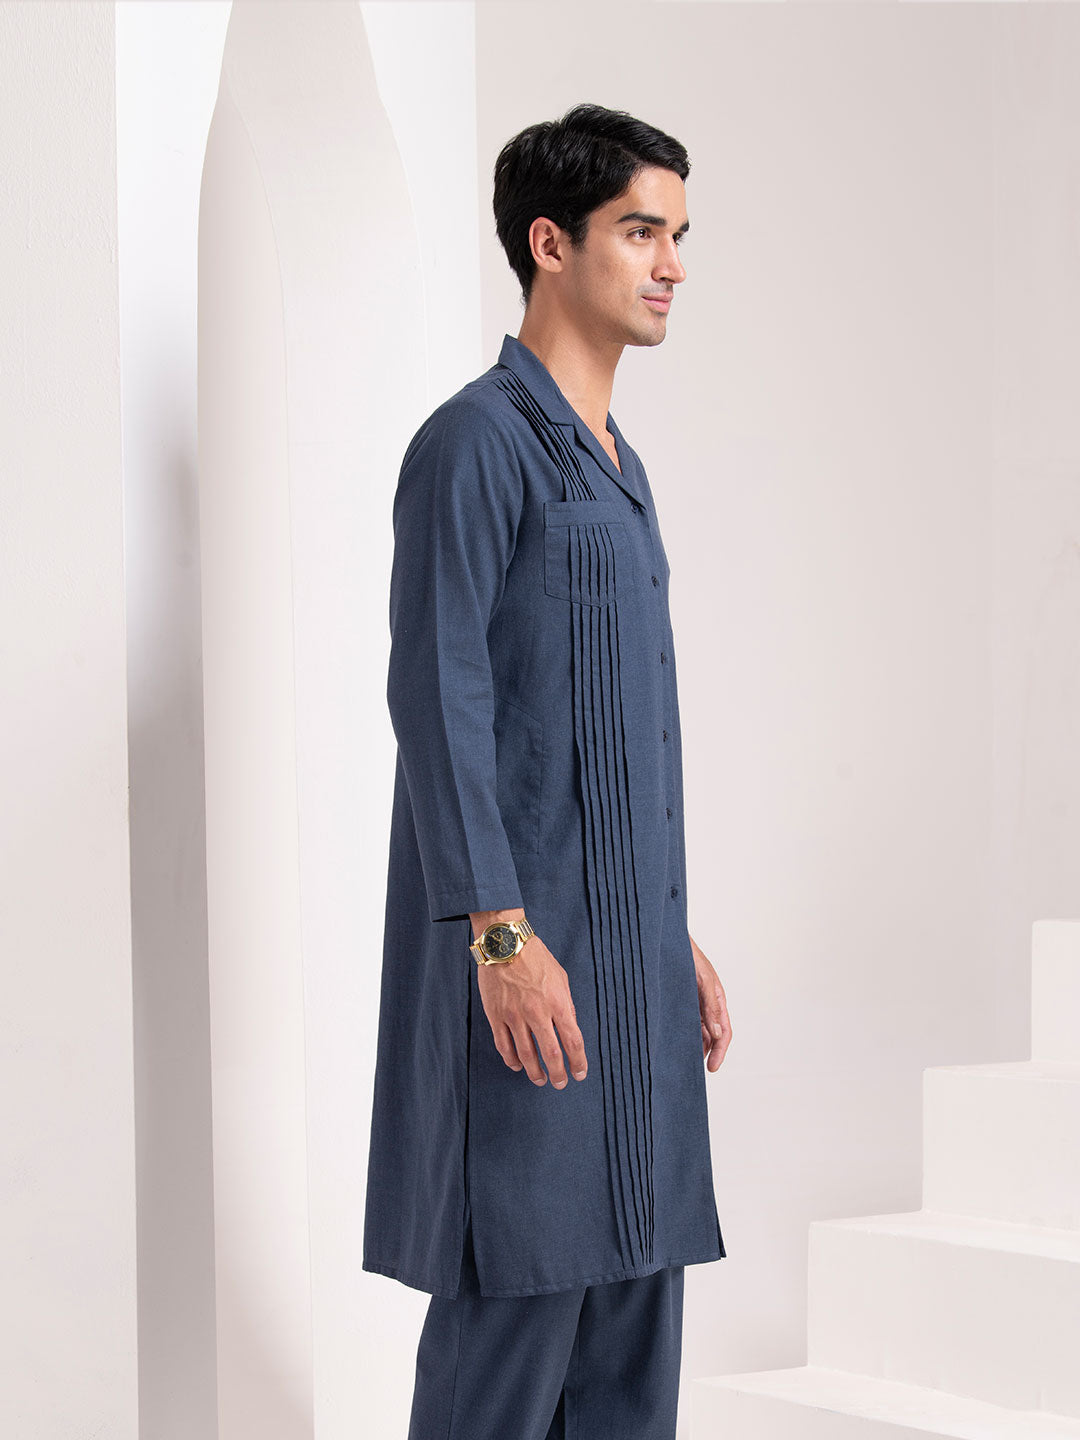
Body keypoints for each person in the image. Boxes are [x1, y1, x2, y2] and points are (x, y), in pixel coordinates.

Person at [362, 101, 733, 1440]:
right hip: (525, 972)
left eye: (678, 234)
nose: (673, 263)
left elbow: (601, 734)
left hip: (628, 976)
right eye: (641, 231)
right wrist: (500, 933)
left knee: (634, 1329)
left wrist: (666, 933)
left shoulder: (621, 470)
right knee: (512, 1323)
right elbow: (439, 697)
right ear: (550, 244)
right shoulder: (475, 444)